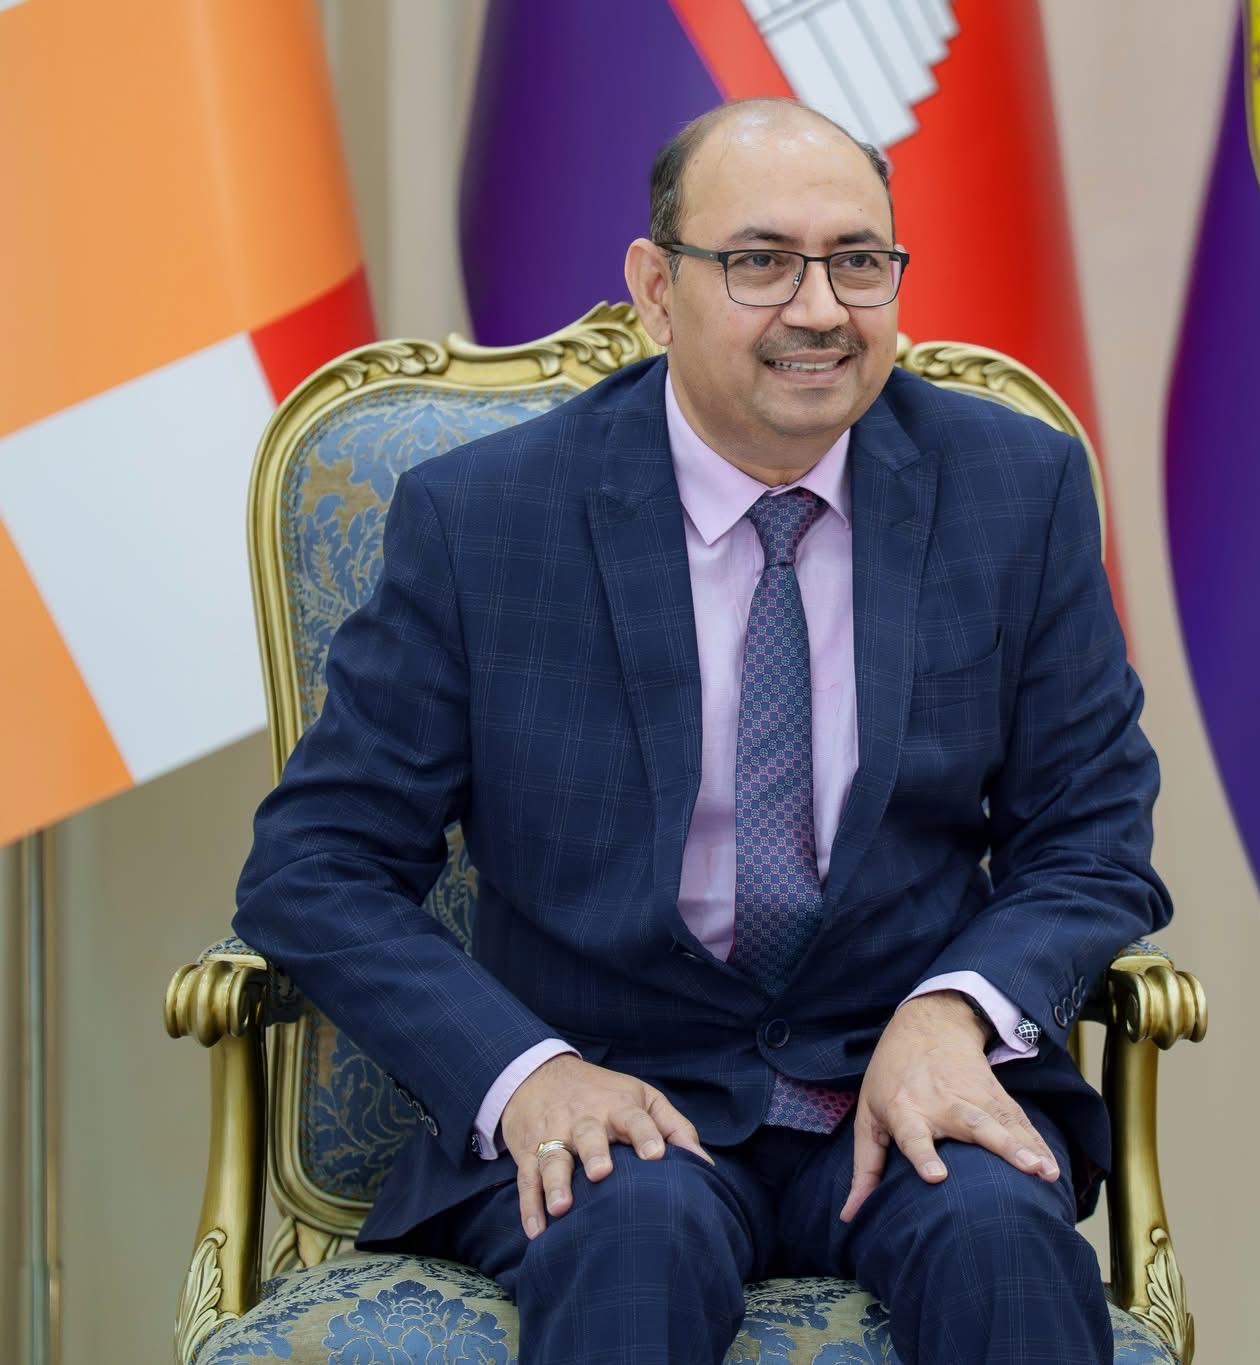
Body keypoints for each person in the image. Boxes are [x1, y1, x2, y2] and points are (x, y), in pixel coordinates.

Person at [233, 96, 1168, 1363]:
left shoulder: (1014, 487)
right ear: (655, 291)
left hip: (899, 1075)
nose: (820, 309)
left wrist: (954, 1014)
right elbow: (315, 866)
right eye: (760, 262)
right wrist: (526, 1075)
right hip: (612, 1087)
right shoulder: (486, 520)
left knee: (999, 1237)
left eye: (857, 261)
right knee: (636, 1235)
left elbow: (1091, 836)